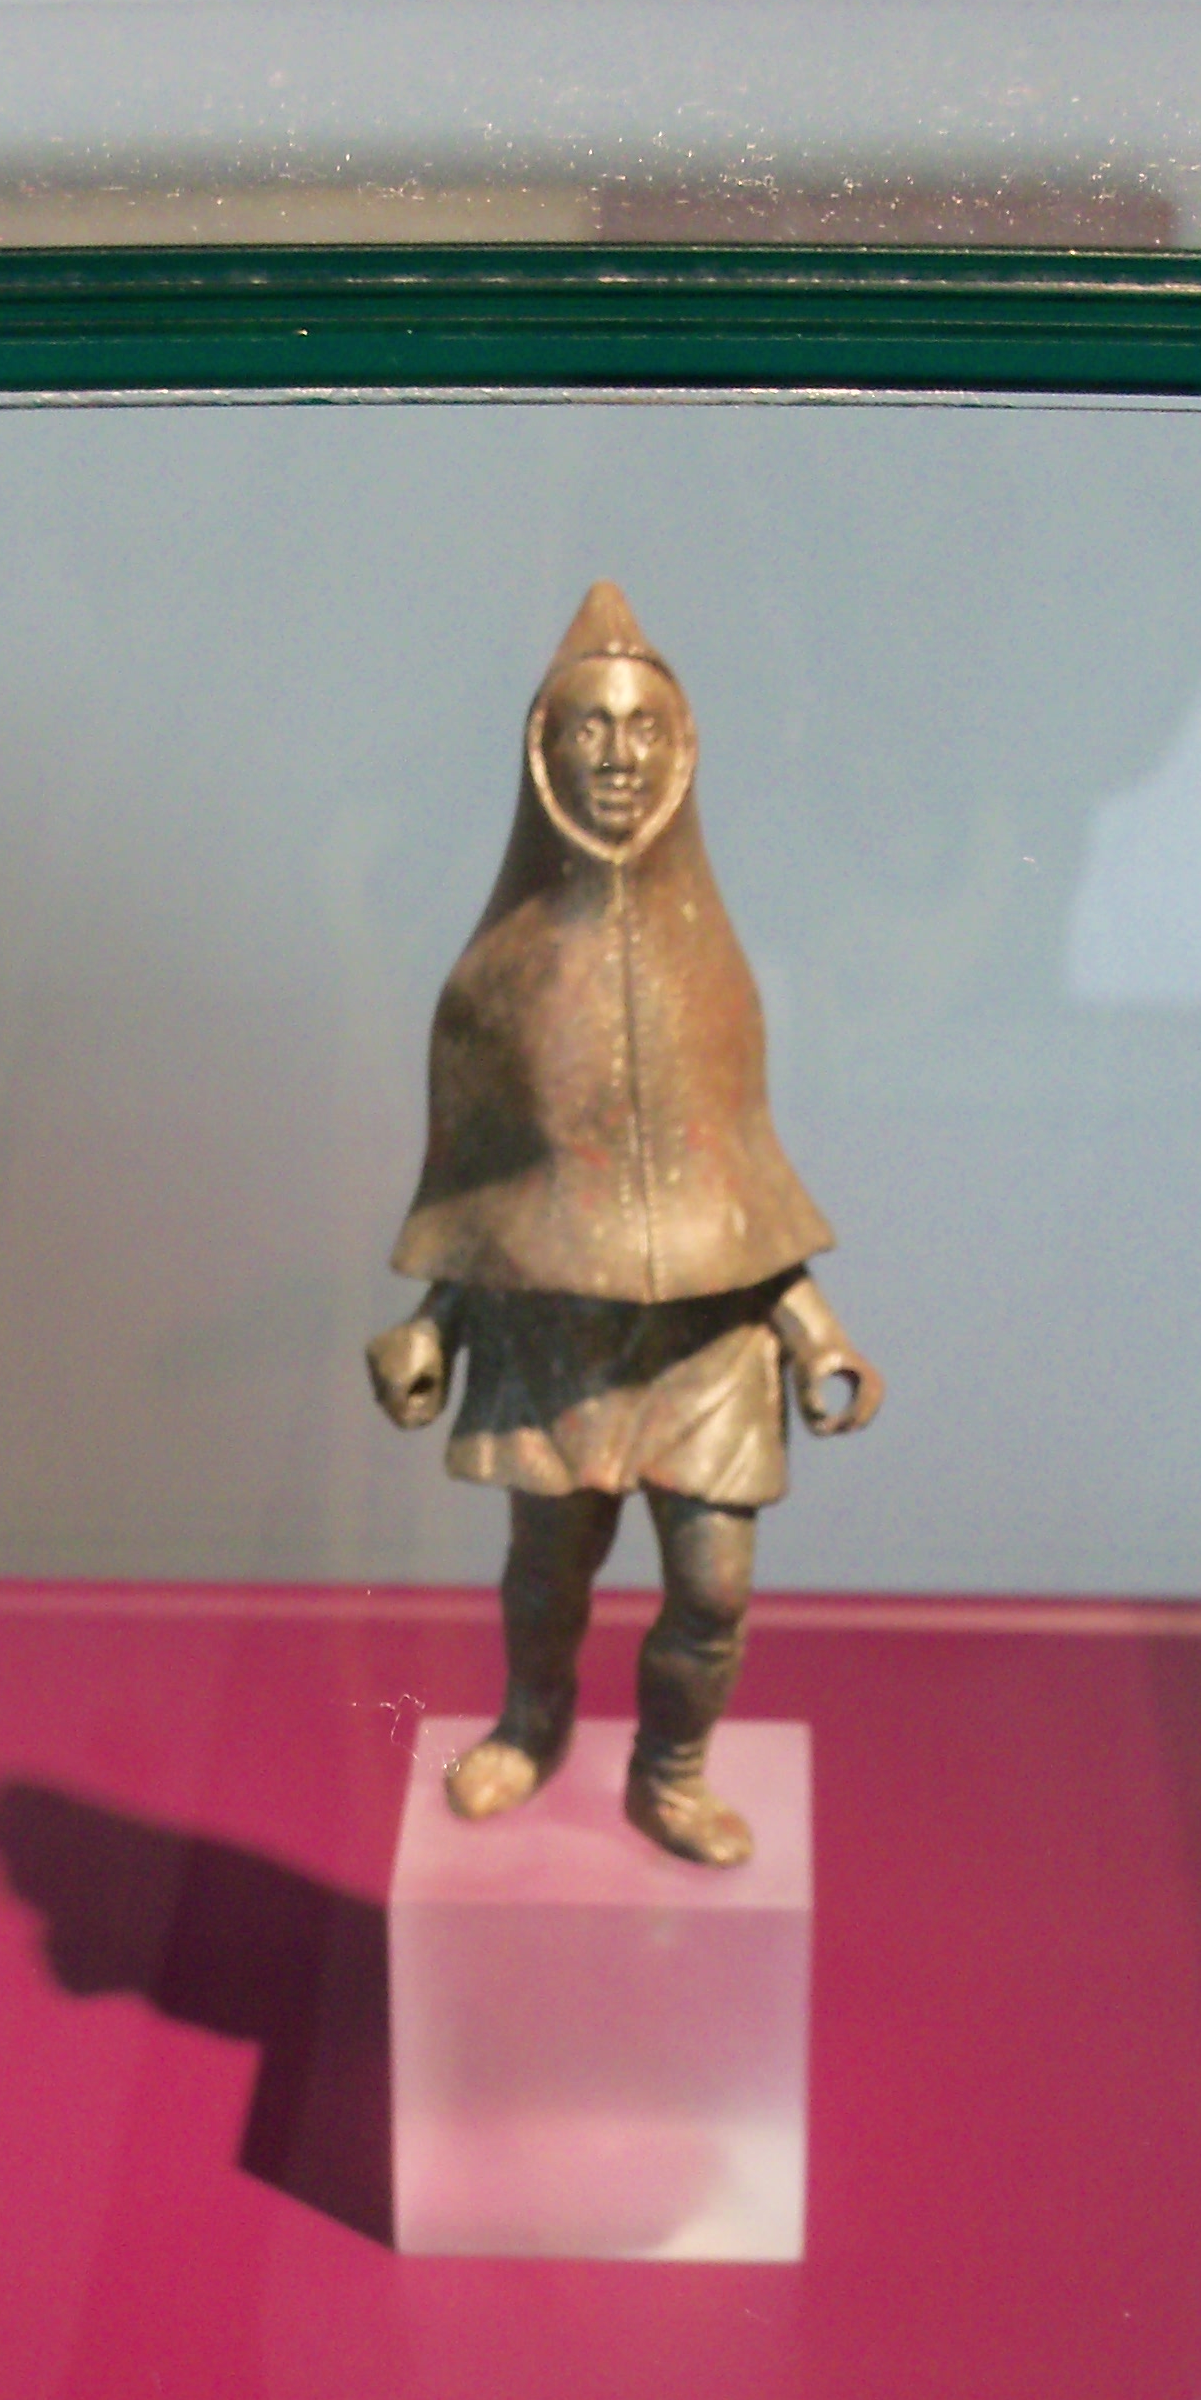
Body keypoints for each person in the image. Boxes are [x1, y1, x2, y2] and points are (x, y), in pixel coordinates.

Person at [367, 582, 881, 1864]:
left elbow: (741, 1185)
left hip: (708, 1350)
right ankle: (531, 1724)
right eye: (589, 728)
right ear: (542, 755)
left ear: (682, 750)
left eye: (644, 728)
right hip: (551, 1341)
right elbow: (491, 1193)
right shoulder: (494, 983)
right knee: (548, 1572)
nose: (617, 754)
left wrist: (816, 1335)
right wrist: (432, 1326)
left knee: (713, 1586)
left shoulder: (718, 974)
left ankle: (672, 1770)